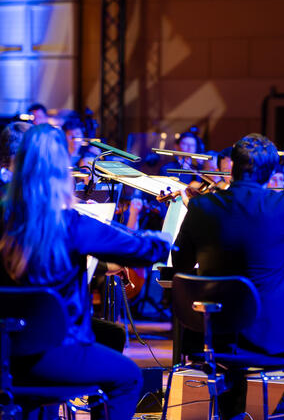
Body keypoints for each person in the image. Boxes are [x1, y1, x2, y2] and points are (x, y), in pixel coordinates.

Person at [0, 124, 172, 420]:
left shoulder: (6, 221)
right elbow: (148, 251)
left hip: (6, 353)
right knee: (129, 378)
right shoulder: (72, 225)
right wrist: (162, 238)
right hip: (56, 352)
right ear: (60, 171)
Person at [172, 133, 284, 420]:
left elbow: (181, 264)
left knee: (230, 364)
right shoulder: (281, 205)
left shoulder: (200, 207)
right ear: (271, 174)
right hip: (274, 339)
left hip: (213, 337)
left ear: (232, 167)